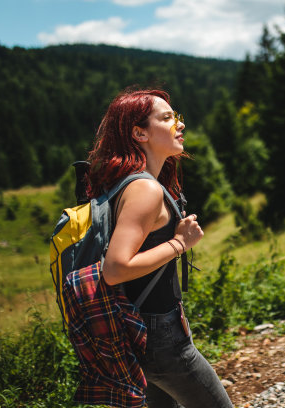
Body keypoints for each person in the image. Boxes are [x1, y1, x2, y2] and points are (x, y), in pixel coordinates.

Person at [85, 88, 233, 408]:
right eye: (167, 118)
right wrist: (180, 242)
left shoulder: (129, 182)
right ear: (139, 133)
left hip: (138, 327)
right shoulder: (144, 189)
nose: (179, 123)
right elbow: (116, 268)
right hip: (159, 336)